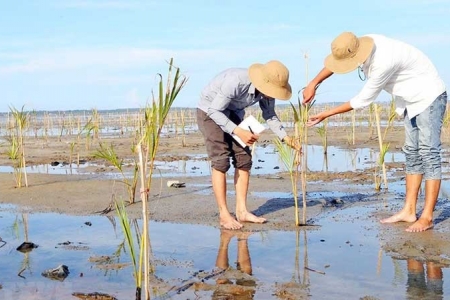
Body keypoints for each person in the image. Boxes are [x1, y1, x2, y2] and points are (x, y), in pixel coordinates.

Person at [303, 32, 447, 232]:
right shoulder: (357, 43)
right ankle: (409, 211)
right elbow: (336, 62)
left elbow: (362, 100)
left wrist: (325, 114)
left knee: (428, 153)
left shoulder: (383, 61)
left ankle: (428, 217)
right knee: (412, 153)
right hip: (409, 99)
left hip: (429, 96)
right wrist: (313, 83)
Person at [197, 60, 301, 230]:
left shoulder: (268, 92)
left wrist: (286, 138)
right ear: (263, 82)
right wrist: (238, 131)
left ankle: (242, 211)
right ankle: (224, 214)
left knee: (244, 157)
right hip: (209, 110)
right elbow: (215, 111)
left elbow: (269, 115)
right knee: (221, 160)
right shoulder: (236, 81)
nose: (272, 95)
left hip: (233, 113)